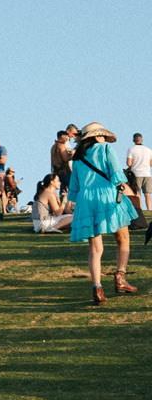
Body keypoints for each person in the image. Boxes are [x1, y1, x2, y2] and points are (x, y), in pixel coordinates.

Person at [67, 122, 138, 304]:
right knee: (122, 238)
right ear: (97, 136)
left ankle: (97, 288)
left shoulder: (78, 157)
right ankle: (120, 277)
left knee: (95, 248)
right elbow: (116, 173)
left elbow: (74, 186)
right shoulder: (106, 149)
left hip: (85, 199)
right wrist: (124, 188)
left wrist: (71, 202)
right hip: (107, 195)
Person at [126, 133, 152, 211]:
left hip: (136, 174)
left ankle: (139, 209)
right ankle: (149, 210)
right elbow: (151, 163)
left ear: (133, 140)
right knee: (147, 194)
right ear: (142, 140)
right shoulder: (148, 150)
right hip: (147, 174)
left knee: (137, 193)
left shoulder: (131, 149)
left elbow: (129, 163)